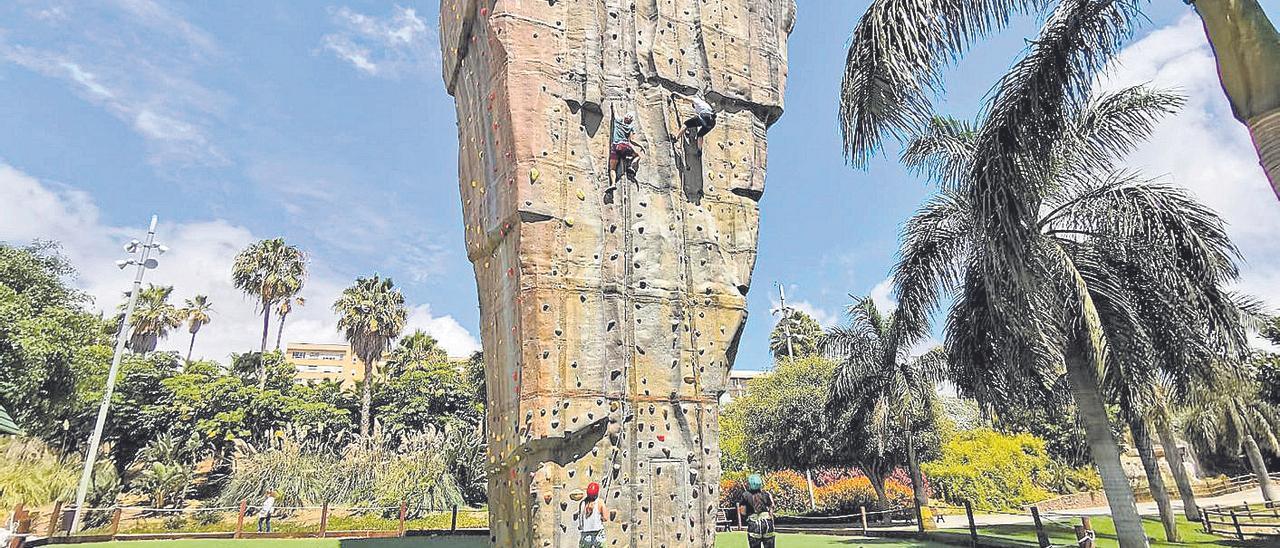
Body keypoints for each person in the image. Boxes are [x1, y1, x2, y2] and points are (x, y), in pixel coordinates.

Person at [737, 474, 775, 548]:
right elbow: (772, 506)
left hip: (754, 525)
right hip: (767, 524)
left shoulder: (745, 495)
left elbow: (742, 512)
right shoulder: (766, 494)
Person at [609, 111, 643, 186]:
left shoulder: (617, 121)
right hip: (624, 146)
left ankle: (613, 184)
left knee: (612, 168)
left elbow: (615, 111)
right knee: (637, 156)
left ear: (625, 117)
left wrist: (613, 105)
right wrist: (640, 145)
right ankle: (630, 166)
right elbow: (632, 140)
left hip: (615, 147)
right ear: (631, 121)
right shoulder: (631, 127)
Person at [578, 482, 607, 548]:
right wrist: (600, 518)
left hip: (585, 534)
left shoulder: (582, 503)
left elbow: (580, 519)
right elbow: (605, 518)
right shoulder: (600, 502)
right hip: (598, 533)